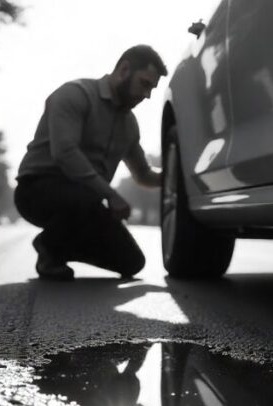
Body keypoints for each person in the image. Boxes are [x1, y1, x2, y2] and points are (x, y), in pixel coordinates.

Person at [14, 45, 166, 280]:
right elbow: (65, 154)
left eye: (152, 89)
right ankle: (50, 249)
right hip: (38, 191)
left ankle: (56, 244)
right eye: (145, 84)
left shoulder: (130, 124)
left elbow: (143, 175)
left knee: (133, 262)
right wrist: (111, 195)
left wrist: (175, 176)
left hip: (88, 201)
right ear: (124, 70)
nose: (147, 96)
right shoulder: (75, 94)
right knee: (87, 196)